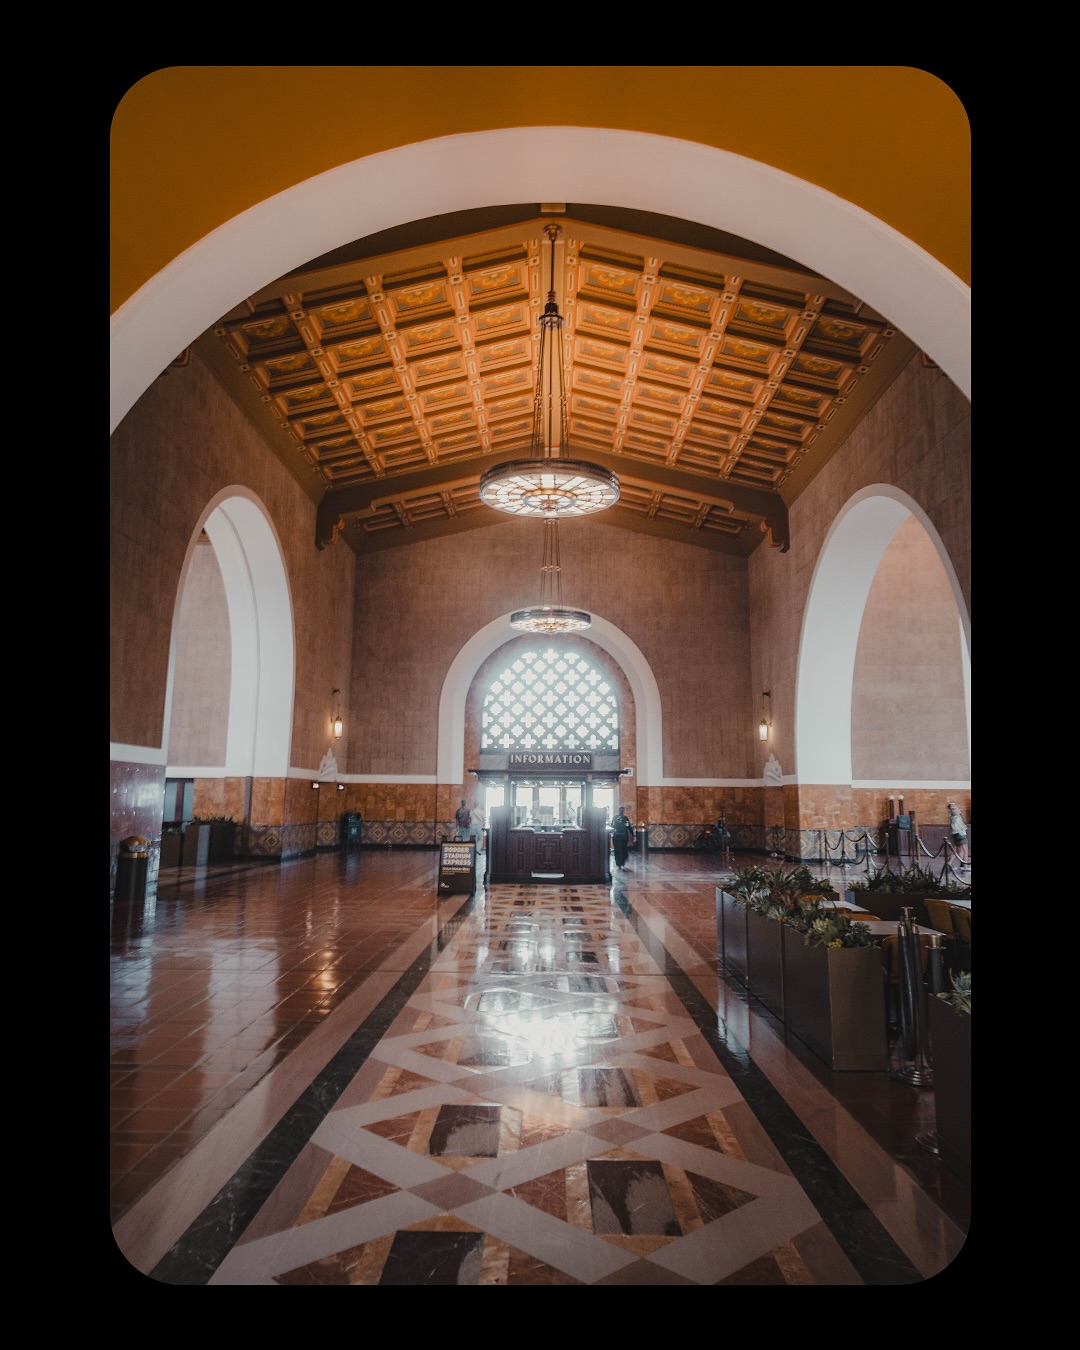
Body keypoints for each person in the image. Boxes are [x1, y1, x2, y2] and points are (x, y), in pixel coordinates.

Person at [947, 801, 968, 868]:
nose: (954, 805)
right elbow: (958, 812)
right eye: (952, 804)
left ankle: (950, 863)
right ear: (950, 807)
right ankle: (965, 866)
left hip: (957, 833)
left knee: (958, 850)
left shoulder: (952, 813)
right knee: (966, 850)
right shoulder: (953, 811)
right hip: (960, 834)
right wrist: (954, 807)